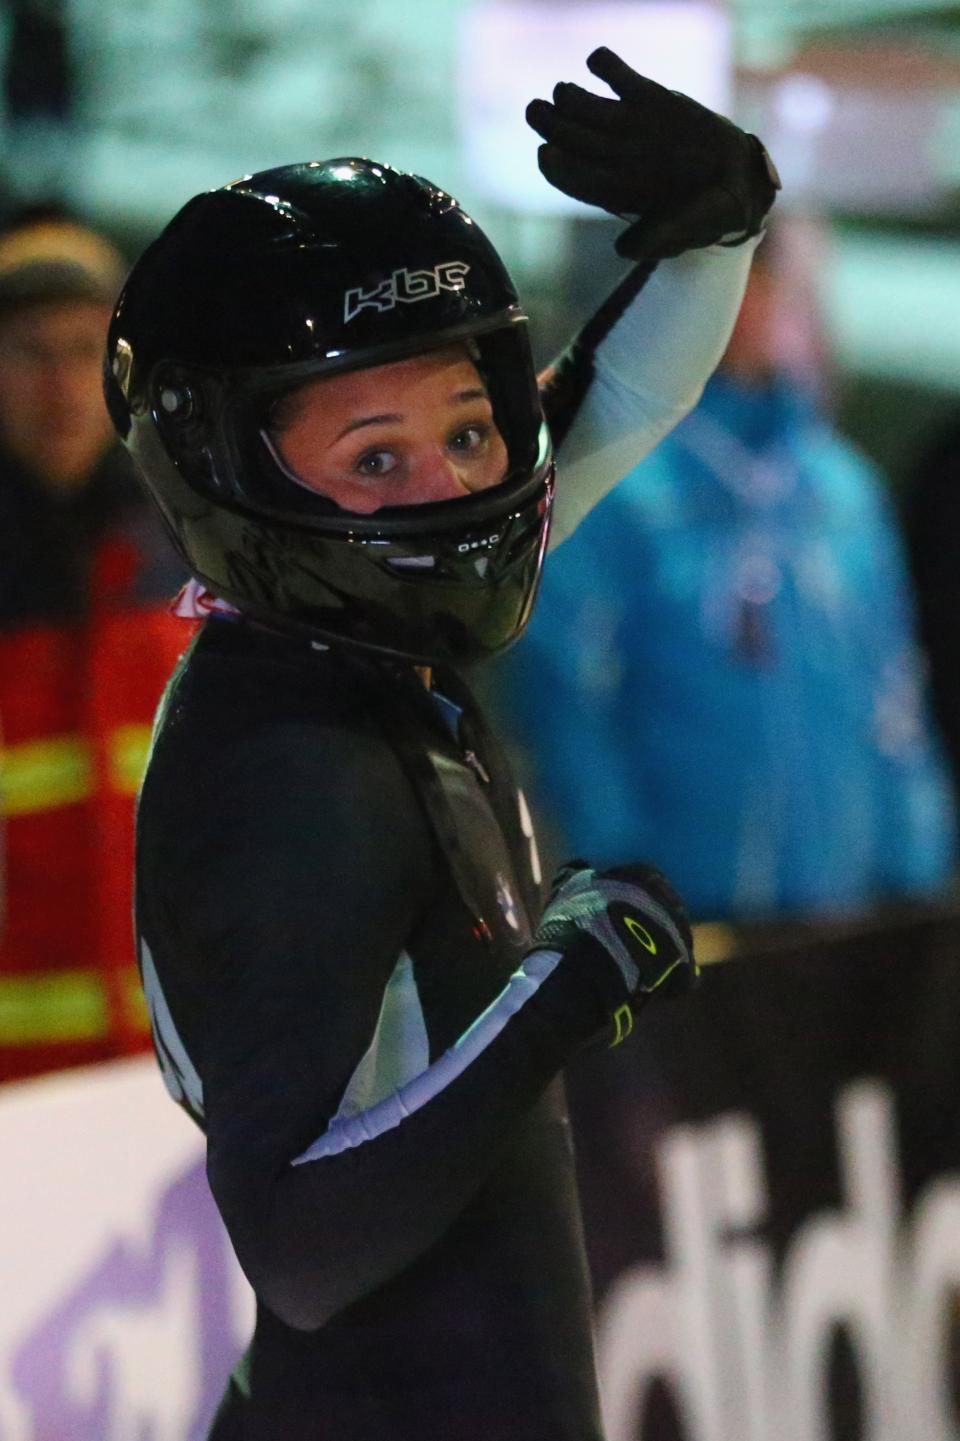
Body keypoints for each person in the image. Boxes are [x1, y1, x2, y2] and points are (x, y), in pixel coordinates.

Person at [105, 50, 778, 1441]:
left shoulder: (353, 653)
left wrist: (726, 222)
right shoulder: (291, 768)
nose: (453, 487)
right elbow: (297, 1244)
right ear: (228, 468)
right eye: (376, 456)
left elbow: (616, 404)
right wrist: (568, 989)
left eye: (470, 427)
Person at [493, 221, 956, 921]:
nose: (793, 302)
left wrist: (915, 859)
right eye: (763, 276)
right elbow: (569, 700)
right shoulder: (616, 488)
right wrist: (625, 883)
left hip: (848, 910)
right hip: (685, 921)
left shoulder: (840, 489)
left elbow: (891, 690)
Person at [0, 207, 186, 1082]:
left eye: (85, 354)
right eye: (31, 352)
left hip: (173, 1079)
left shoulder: (191, 556)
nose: (60, 386)